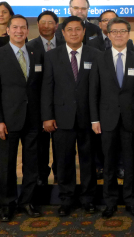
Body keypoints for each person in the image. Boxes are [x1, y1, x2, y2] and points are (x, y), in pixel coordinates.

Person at [0, 15, 45, 222]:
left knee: (32, 164)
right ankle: (7, 204)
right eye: (15, 28)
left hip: (33, 120)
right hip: (7, 121)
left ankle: (27, 201)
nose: (19, 31)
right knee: (6, 165)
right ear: (8, 30)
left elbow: (41, 87)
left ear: (28, 31)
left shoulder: (37, 52)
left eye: (23, 28)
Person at [41, 16, 101, 217]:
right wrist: (47, 116)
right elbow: (47, 88)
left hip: (88, 118)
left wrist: (97, 117)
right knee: (64, 161)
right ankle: (66, 199)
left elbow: (100, 89)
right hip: (61, 117)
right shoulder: (52, 56)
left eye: (78, 29)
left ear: (84, 32)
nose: (74, 33)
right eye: (70, 29)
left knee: (88, 160)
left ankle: (88, 198)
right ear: (63, 32)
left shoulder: (96, 55)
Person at [90, 17, 134, 219]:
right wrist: (94, 119)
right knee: (109, 164)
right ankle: (110, 203)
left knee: (130, 163)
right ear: (108, 34)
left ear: (128, 34)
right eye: (114, 31)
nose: (118, 35)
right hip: (106, 120)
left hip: (131, 121)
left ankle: (131, 202)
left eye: (123, 31)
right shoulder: (99, 58)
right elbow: (93, 92)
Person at [26, 11, 62, 185]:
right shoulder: (29, 47)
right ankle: (41, 178)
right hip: (38, 105)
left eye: (50, 22)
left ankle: (60, 177)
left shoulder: (66, 44)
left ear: (56, 25)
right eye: (42, 22)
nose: (46, 26)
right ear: (37, 25)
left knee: (62, 147)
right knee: (40, 146)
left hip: (63, 104)